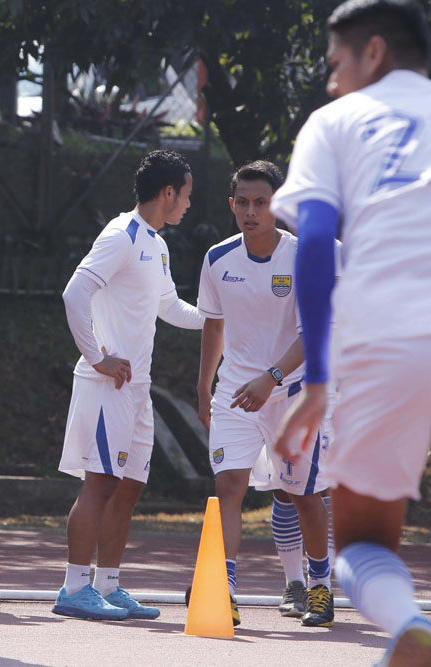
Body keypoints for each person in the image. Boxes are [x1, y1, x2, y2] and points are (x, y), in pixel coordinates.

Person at [273, 0, 431, 662]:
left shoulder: (333, 122)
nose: (331, 81)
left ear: (374, 53)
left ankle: (408, 627)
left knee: (364, 548)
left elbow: (312, 242)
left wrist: (315, 382)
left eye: (337, 64)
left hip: (388, 332)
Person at [54, 150, 203, 621]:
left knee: (129, 487)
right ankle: (74, 588)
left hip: (137, 390)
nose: (188, 204)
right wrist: (97, 357)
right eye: (187, 195)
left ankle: (108, 585)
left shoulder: (156, 244)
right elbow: (74, 292)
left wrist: (219, 316)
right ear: (168, 193)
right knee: (99, 484)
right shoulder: (121, 235)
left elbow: (170, 307)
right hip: (107, 387)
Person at [196, 160, 333, 628]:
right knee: (229, 486)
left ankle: (318, 586)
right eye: (243, 202)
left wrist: (271, 378)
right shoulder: (217, 258)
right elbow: (213, 324)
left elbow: (314, 333)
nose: (250, 211)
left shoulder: (305, 257)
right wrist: (202, 385)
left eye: (261, 202)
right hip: (236, 393)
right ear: (231, 204)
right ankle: (225, 591)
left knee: (303, 495)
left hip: (292, 394)